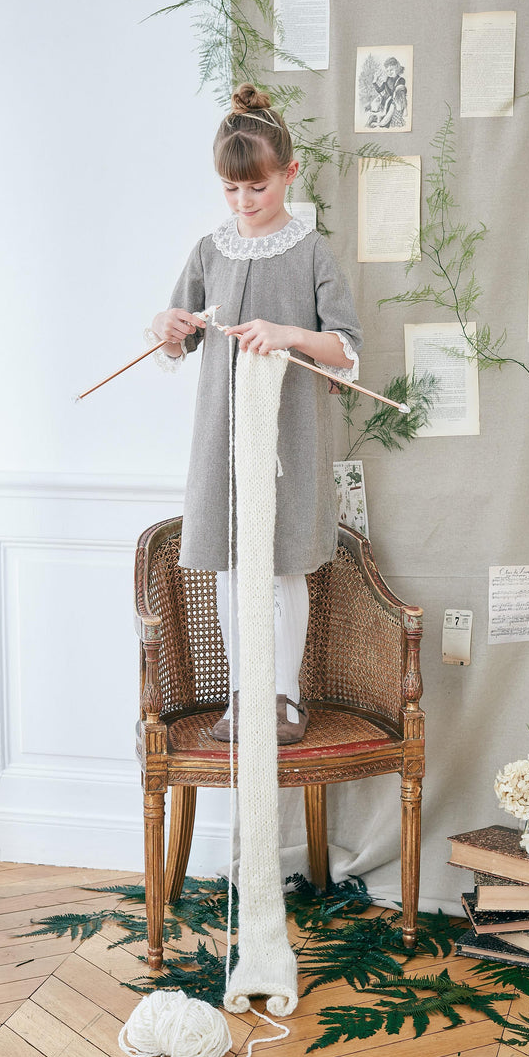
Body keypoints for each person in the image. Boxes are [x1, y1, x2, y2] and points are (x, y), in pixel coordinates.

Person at [148, 83, 362, 744]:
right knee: (234, 567)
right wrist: (167, 323)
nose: (245, 202)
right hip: (222, 438)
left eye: (258, 188)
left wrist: (291, 333)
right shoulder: (209, 251)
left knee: (283, 564)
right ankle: (242, 697)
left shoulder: (311, 251)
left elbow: (346, 350)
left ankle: (285, 697)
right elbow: (175, 344)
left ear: (289, 175)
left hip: (290, 438)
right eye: (232, 190)